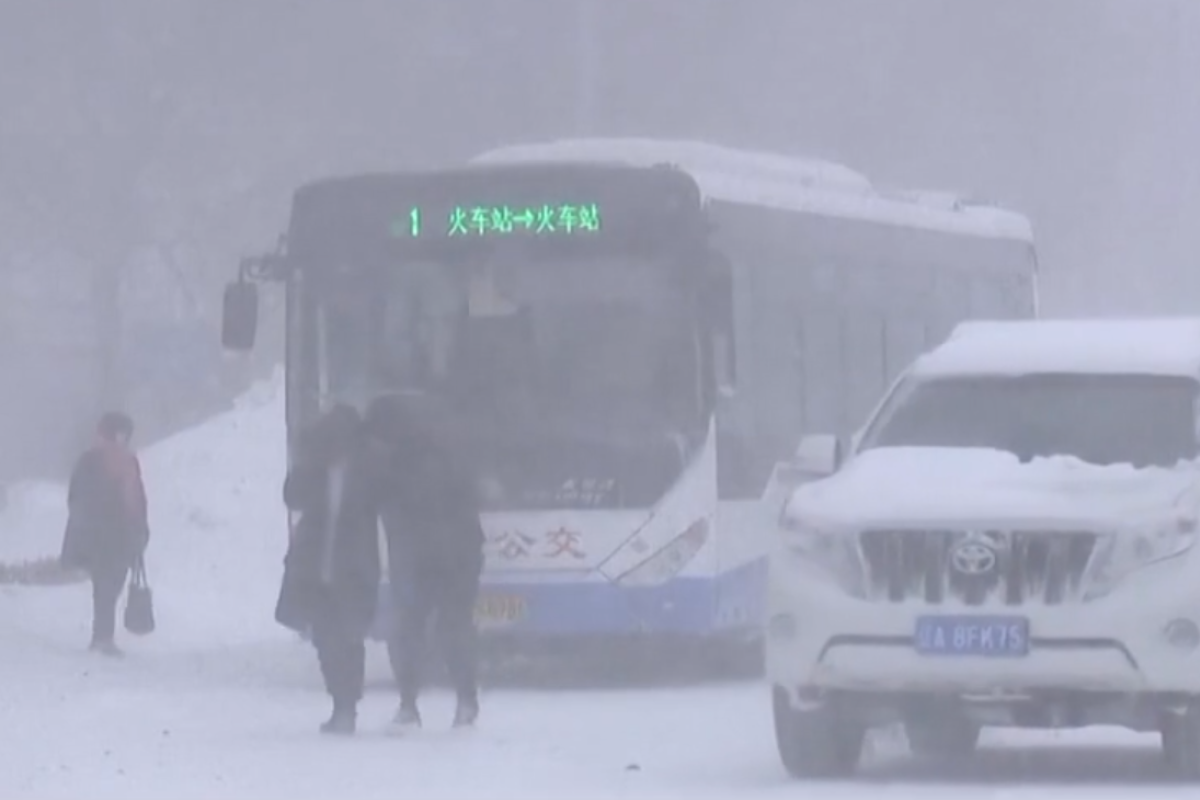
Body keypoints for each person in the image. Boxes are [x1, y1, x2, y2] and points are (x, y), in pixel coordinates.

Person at [365, 397, 485, 730]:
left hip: (427, 558)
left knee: (412, 629)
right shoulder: (446, 452)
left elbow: (408, 508)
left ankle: (410, 704)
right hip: (459, 554)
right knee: (454, 626)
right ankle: (464, 701)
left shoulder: (402, 463)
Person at [280, 404, 382, 736]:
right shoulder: (315, 468)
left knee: (349, 639)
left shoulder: (367, 469)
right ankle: (340, 702)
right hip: (317, 568)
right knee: (326, 639)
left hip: (353, 568)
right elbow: (292, 497)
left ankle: (346, 706)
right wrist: (305, 461)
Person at [60, 411, 150, 657]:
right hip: (115, 535)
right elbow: (136, 500)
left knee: (107, 586)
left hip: (106, 535)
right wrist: (139, 529)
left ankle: (102, 637)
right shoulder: (116, 461)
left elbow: (76, 498)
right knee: (107, 585)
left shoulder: (92, 460)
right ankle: (102, 639)